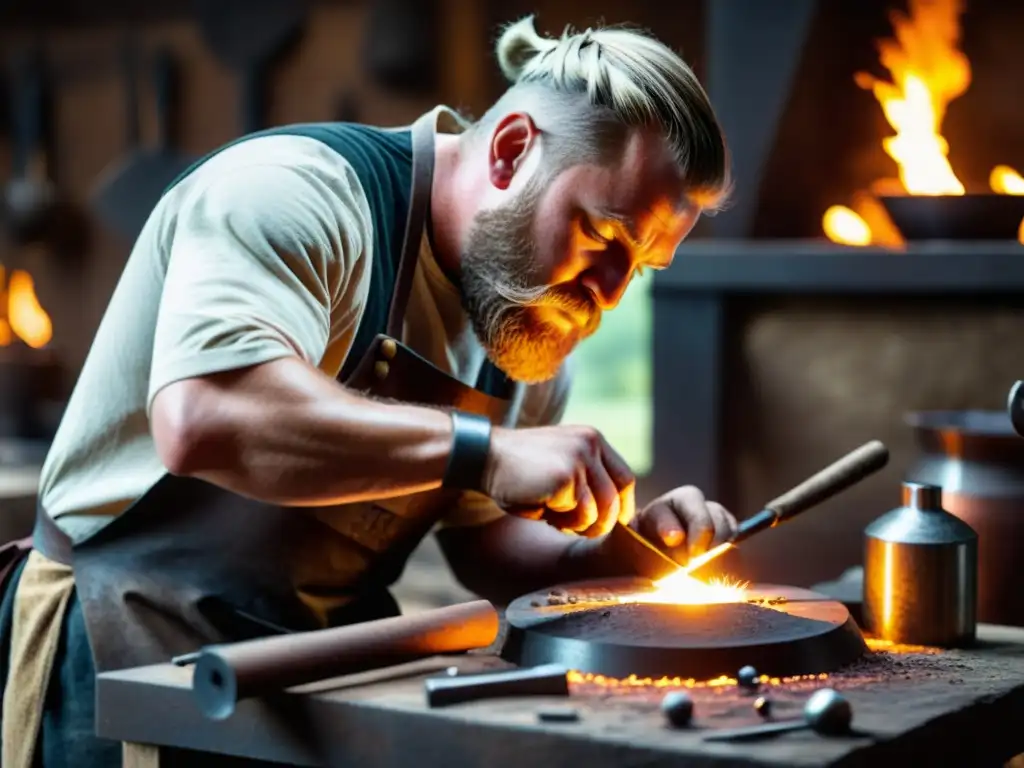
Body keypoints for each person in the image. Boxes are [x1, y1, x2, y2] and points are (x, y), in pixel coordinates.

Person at [0, 15, 734, 766]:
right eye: (604, 237)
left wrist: (625, 546)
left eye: (638, 266)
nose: (610, 294)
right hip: (122, 646)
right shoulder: (294, 193)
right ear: (512, 150)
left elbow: (486, 544)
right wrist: (483, 450)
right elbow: (204, 417)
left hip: (324, 671)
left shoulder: (522, 324)